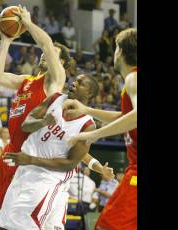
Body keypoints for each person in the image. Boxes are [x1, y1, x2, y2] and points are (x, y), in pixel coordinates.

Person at [0, 4, 111, 218]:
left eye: (53, 53)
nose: (46, 54)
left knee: (24, 221)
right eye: (47, 52)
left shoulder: (54, 84)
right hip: (11, 153)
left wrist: (27, 23)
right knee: (0, 217)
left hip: (30, 160)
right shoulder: (26, 81)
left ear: (61, 63)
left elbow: (69, 141)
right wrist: (6, 40)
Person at [0, 74, 102, 229]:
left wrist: (31, 159)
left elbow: (70, 164)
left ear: (89, 93)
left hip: (48, 178)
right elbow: (26, 125)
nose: (74, 83)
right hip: (25, 168)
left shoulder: (87, 125)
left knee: (23, 226)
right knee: (3, 224)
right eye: (75, 80)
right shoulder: (55, 99)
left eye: (80, 83)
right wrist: (43, 122)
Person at [64, 28, 137, 230]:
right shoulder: (131, 82)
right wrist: (87, 109)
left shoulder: (133, 78)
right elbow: (126, 118)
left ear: (120, 52)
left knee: (106, 226)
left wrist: (93, 134)